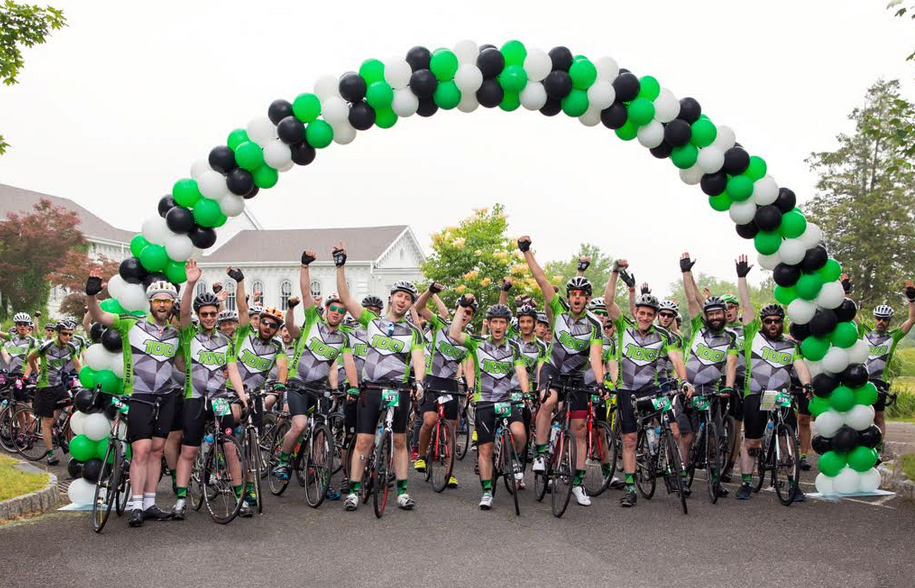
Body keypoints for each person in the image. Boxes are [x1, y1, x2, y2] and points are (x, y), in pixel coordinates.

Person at [334, 241, 426, 512]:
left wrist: (420, 382)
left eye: (407, 298)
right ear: (391, 297)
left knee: (399, 441)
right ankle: (353, 491)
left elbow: (419, 360)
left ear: (410, 304)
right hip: (371, 388)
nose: (402, 300)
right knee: (364, 441)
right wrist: (340, 266)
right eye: (399, 295)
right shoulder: (372, 322)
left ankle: (402, 492)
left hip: (399, 390)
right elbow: (346, 298)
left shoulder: (413, 332)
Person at [86, 270, 180, 526]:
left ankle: (149, 504)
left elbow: (181, 364)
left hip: (166, 397)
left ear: (172, 304)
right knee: (140, 450)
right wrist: (92, 295)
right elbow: (100, 316)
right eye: (158, 300)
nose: (162, 305)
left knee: (157, 451)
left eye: (167, 300)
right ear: (150, 302)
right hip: (139, 395)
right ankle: (136, 505)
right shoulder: (131, 323)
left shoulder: (175, 333)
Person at [519, 235, 603, 507]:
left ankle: (578, 483)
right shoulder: (558, 310)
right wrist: (526, 251)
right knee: (549, 400)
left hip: (576, 376)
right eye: (573, 294)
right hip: (553, 368)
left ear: (587, 299)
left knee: (578, 429)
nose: (577, 298)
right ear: (568, 297)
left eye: (581, 295)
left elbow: (596, 356)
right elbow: (542, 280)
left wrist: (600, 382)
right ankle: (541, 452)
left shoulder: (595, 325)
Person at [604, 259, 690, 508]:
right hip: (627, 391)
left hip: (653, 391)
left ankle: (673, 471)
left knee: (673, 429)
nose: (644, 317)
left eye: (649, 314)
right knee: (630, 440)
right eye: (641, 313)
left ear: (654, 317)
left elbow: (676, 358)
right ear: (636, 313)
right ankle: (631, 488)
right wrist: (614, 272)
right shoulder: (624, 327)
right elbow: (609, 302)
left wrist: (684, 381)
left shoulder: (664, 335)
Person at [171, 260, 250, 520]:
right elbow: (183, 311)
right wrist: (191, 283)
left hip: (219, 399)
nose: (208, 318)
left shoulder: (225, 340)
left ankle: (239, 497)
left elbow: (233, 370)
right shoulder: (189, 335)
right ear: (198, 315)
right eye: (204, 314)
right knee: (189, 450)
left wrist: (241, 395)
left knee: (229, 447)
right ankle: (180, 499)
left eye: (212, 314)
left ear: (217, 314)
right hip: (194, 399)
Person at [733, 256, 812, 502]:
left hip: (782, 396)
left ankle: (793, 485)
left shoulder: (790, 345)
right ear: (762, 323)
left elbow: (800, 366)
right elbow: (746, 306)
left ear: (782, 322)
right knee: (753, 442)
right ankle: (746, 483)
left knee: (787, 441)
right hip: (756, 395)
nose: (773, 324)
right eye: (768, 321)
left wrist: (807, 384)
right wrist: (742, 277)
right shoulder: (752, 336)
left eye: (777, 321)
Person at [272, 251, 352, 488]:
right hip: (298, 384)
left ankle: (318, 477)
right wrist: (305, 266)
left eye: (341, 311)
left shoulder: (343, 338)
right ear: (326, 309)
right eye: (333, 309)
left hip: (319, 389)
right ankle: (283, 461)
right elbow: (306, 292)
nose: (336, 313)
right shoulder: (313, 321)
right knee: (299, 425)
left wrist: (338, 388)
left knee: (320, 432)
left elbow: (338, 366)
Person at [448, 299, 529, 510]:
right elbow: (454, 333)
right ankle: (486, 492)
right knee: (486, 448)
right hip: (484, 401)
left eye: (502, 322)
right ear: (489, 323)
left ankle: (513, 459)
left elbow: (521, 371)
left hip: (507, 400)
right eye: (495, 322)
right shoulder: (477, 343)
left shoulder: (514, 347)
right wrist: (461, 306)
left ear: (507, 325)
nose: (498, 326)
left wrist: (526, 393)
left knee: (520, 433)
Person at [227, 266, 289, 506]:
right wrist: (240, 281)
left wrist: (281, 384)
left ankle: (251, 486)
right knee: (234, 416)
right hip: (232, 390)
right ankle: (223, 451)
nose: (267, 327)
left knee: (252, 444)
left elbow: (282, 367)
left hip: (254, 395)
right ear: (260, 322)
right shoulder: (245, 333)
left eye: (273, 326)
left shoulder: (277, 347)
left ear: (277, 329)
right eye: (265, 323)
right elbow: (242, 309)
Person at [678, 257, 738, 497]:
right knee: (688, 436)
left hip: (712, 391)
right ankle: (683, 476)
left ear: (725, 314)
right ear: (706, 316)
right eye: (710, 314)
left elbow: (731, 363)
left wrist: (729, 387)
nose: (714, 317)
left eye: (718, 313)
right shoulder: (698, 328)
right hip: (689, 389)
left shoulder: (731, 337)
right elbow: (691, 300)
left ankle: (715, 480)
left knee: (715, 440)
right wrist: (686, 272)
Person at [412, 282, 474, 489]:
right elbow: (419, 307)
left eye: (469, 313)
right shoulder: (440, 324)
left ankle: (450, 473)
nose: (464, 315)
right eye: (462, 311)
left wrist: (470, 386)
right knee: (429, 420)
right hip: (432, 379)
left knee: (451, 430)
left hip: (450, 383)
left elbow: (469, 367)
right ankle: (421, 454)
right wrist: (430, 292)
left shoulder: (468, 341)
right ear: (457, 311)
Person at [857, 282, 915, 446]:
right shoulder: (864, 332)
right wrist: (845, 291)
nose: (881, 322)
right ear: (874, 319)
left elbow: (912, 319)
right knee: (860, 415)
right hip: (862, 381)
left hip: (880, 382)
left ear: (889, 321)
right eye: (878, 318)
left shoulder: (893, 336)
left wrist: (912, 300)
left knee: (878, 417)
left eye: (885, 319)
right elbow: (850, 314)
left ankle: (879, 446)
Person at [26, 320, 81, 466]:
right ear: (58, 333)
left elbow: (78, 366)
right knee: (47, 422)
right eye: (65, 333)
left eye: (70, 334)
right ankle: (50, 454)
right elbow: (30, 357)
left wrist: (86, 382)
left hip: (58, 385)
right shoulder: (47, 346)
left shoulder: (70, 347)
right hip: (45, 387)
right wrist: (37, 372)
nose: (68, 336)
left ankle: (57, 429)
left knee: (70, 407)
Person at [0, 313, 37, 390]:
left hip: (21, 374)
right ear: (16, 325)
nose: (22, 326)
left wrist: (26, 376)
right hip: (9, 373)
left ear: (28, 326)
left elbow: (31, 360)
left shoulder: (32, 341)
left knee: (20, 395)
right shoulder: (11, 336)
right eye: (19, 324)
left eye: (25, 324)